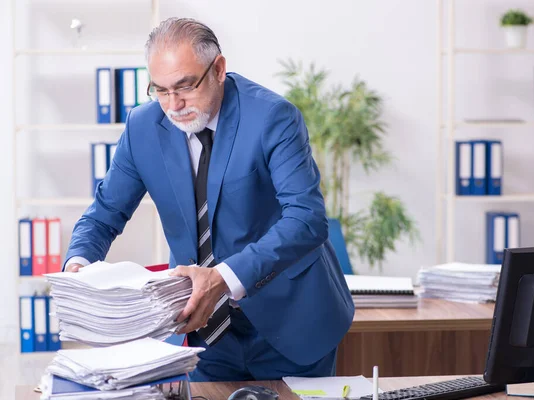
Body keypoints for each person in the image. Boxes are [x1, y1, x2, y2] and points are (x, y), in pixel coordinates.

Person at [64, 17, 355, 382]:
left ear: (218, 68)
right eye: (161, 90)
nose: (174, 104)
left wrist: (223, 277)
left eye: (185, 86)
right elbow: (103, 215)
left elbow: (306, 219)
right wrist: (78, 266)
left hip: (291, 320)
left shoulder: (272, 118)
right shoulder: (142, 127)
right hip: (203, 328)